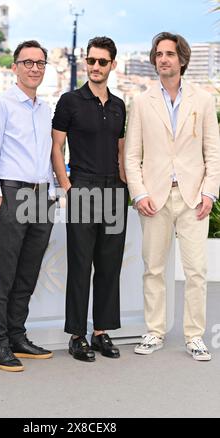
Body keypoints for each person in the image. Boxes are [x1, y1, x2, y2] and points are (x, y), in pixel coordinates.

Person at [125, 32, 220, 361]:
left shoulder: (204, 100)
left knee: (196, 271)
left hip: (194, 197)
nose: (163, 58)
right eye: (158, 53)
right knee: (153, 269)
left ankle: (195, 335)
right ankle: (154, 331)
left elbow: (213, 152)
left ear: (182, 59)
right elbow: (131, 154)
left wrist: (209, 192)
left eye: (169, 53)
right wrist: (139, 194)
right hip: (154, 198)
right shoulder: (140, 102)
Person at [52, 36, 128, 362]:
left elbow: (122, 152)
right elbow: (56, 148)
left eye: (102, 61)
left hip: (114, 190)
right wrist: (68, 186)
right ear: (86, 62)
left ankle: (102, 332)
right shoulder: (70, 101)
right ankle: (77, 335)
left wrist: (127, 188)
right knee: (81, 265)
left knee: (109, 265)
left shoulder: (119, 105)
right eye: (91, 60)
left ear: (112, 64)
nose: (95, 67)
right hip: (82, 187)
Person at [0, 40, 56, 372]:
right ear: (14, 67)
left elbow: (48, 157)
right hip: (11, 195)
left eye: (40, 63)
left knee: (28, 272)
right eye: (28, 62)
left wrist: (52, 192)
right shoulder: (1, 105)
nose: (34, 68)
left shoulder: (45, 108)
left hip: (42, 196)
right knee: (4, 272)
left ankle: (17, 336)